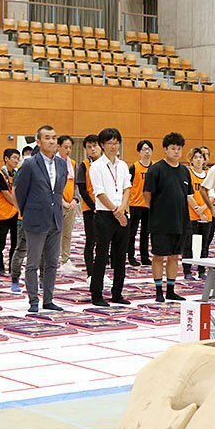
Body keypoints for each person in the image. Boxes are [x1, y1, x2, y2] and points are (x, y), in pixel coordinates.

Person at [14, 125, 67, 312]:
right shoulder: (29, 164)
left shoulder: (62, 164)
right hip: (35, 219)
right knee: (33, 263)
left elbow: (58, 191)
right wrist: (27, 211)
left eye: (54, 137)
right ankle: (33, 301)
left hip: (55, 219)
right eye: (47, 138)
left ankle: (48, 299)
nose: (52, 141)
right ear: (38, 141)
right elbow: (20, 192)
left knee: (52, 262)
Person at [144, 133, 194, 301]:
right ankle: (159, 291)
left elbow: (188, 195)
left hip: (181, 222)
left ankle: (171, 290)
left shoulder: (185, 171)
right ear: (165, 149)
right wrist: (158, 212)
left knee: (174, 256)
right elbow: (147, 195)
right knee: (158, 256)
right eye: (173, 148)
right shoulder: (156, 169)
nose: (176, 152)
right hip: (160, 222)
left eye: (179, 149)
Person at [88, 128, 132, 307]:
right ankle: (96, 294)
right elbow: (99, 193)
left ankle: (117, 293)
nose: (113, 146)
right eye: (109, 143)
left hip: (122, 212)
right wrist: (116, 210)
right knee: (101, 255)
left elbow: (127, 188)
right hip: (105, 215)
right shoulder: (96, 166)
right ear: (102, 145)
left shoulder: (122, 165)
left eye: (116, 142)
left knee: (121, 255)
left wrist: (122, 209)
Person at [76, 134, 102, 282]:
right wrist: (94, 207)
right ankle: (91, 273)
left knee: (103, 243)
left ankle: (101, 273)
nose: (93, 149)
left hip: (107, 209)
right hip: (90, 210)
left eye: (95, 146)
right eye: (89, 147)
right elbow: (82, 189)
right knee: (91, 241)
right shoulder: (84, 165)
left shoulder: (107, 164)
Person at [182, 147, 212, 279]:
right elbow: (188, 196)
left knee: (204, 244)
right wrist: (198, 210)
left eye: (201, 157)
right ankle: (187, 271)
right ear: (191, 160)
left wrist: (204, 207)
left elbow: (213, 195)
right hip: (191, 215)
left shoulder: (209, 174)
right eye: (196, 157)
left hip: (207, 214)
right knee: (188, 244)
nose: (199, 160)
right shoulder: (188, 174)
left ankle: (202, 270)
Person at [0, 148, 19, 276]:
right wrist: (19, 205)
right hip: (3, 213)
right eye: (14, 158)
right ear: (6, 159)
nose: (16, 160)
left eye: (18, 158)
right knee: (0, 243)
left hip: (15, 213)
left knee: (15, 243)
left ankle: (12, 268)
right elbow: (6, 194)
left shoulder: (16, 174)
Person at [127, 140, 153, 267]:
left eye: (149, 149)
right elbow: (127, 186)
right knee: (132, 232)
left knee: (145, 233)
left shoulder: (154, 168)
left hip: (149, 205)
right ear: (139, 152)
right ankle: (130, 256)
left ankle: (144, 256)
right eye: (144, 149)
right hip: (135, 204)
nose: (147, 152)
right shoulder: (134, 167)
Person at [56, 135, 79, 273]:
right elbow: (52, 185)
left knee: (67, 234)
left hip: (71, 204)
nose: (68, 150)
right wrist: (62, 201)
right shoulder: (54, 162)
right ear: (58, 147)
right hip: (58, 204)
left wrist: (75, 199)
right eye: (65, 147)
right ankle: (54, 259)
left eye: (70, 147)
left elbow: (76, 183)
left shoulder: (73, 164)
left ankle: (65, 259)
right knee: (55, 233)